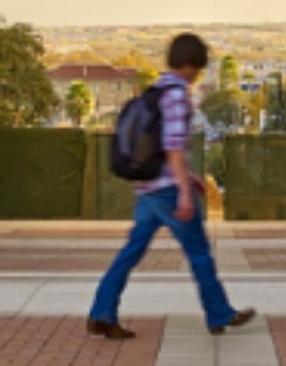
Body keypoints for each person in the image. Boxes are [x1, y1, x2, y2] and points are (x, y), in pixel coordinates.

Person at [88, 33, 255, 339]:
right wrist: (184, 190)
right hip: (168, 191)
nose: (198, 73)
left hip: (147, 189)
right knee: (199, 253)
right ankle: (219, 313)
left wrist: (188, 177)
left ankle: (101, 312)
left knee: (130, 253)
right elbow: (174, 146)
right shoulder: (178, 95)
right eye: (199, 67)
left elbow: (163, 148)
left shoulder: (157, 89)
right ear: (191, 64)